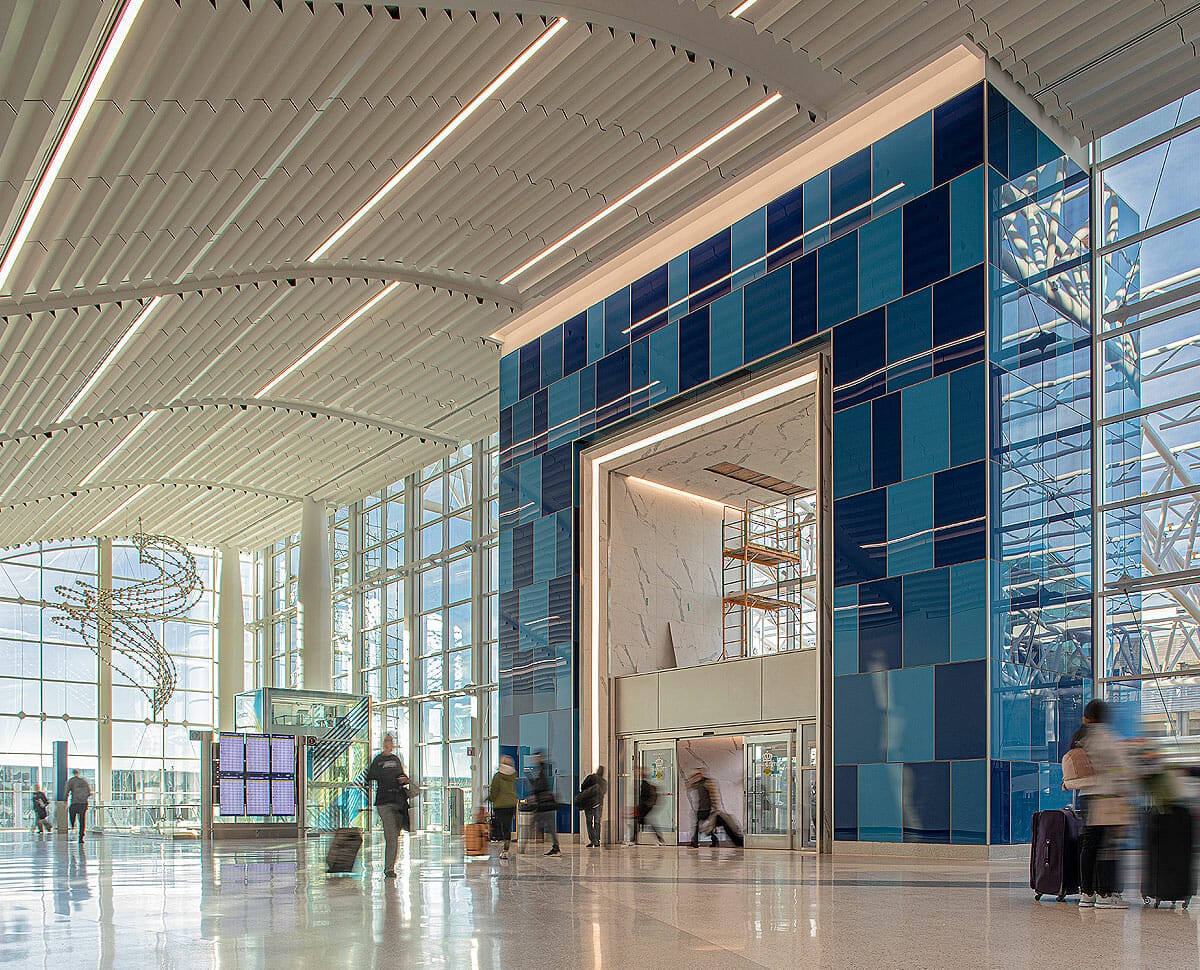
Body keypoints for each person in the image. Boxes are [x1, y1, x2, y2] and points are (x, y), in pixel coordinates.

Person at [1064, 699, 1133, 909]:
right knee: (1106, 847)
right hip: (1106, 798)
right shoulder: (1105, 737)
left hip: (1086, 796)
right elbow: (1121, 767)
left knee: (1090, 846)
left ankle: (1087, 893)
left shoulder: (1081, 738)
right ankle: (1105, 894)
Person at [366, 733, 410, 878]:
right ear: (383, 743)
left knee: (395, 836)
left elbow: (401, 776)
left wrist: (404, 780)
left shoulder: (396, 760)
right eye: (386, 740)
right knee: (391, 835)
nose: (388, 743)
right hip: (384, 803)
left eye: (390, 741)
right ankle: (389, 869)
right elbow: (370, 776)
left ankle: (390, 866)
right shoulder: (378, 760)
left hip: (397, 802)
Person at [688, 770, 743, 848]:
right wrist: (693, 779)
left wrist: (716, 808)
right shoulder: (698, 783)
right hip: (701, 808)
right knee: (704, 826)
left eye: (697, 774)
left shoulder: (707, 783)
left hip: (707, 809)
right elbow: (689, 785)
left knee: (705, 825)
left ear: (701, 774)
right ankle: (705, 841)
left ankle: (698, 842)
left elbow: (713, 796)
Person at [528, 752, 560, 856]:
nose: (534, 759)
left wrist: (534, 791)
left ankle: (523, 845)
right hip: (544, 804)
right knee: (549, 827)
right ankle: (555, 847)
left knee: (535, 823)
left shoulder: (542, 770)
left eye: (536, 757)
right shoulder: (541, 770)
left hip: (544, 804)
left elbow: (540, 786)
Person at [487, 755, 518, 860]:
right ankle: (506, 849)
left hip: (500, 805)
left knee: (500, 826)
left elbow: (494, 791)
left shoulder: (498, 776)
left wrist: (490, 798)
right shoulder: (514, 775)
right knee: (507, 827)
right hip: (511, 804)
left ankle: (502, 846)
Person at [578, 765, 607, 848]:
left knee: (589, 822)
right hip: (598, 804)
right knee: (597, 822)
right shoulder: (603, 782)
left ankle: (592, 840)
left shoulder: (590, 777)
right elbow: (604, 792)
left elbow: (582, 786)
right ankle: (597, 841)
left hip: (588, 804)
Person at [634, 767, 665, 845]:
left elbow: (643, 797)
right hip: (645, 806)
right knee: (642, 822)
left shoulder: (645, 784)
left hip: (645, 806)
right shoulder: (643, 784)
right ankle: (659, 837)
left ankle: (633, 840)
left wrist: (641, 806)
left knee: (639, 821)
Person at [64, 769, 90, 843]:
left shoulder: (71, 781)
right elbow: (89, 792)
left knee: (72, 814)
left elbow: (66, 791)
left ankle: (72, 826)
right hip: (83, 803)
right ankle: (81, 836)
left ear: (73, 773)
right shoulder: (84, 781)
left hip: (75, 802)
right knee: (82, 820)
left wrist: (65, 801)